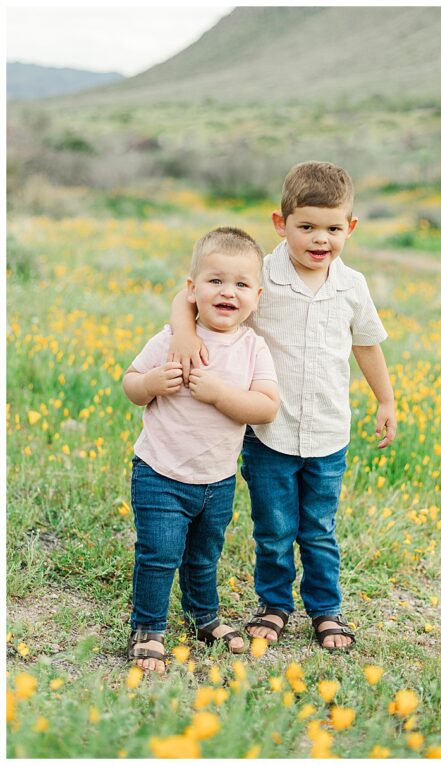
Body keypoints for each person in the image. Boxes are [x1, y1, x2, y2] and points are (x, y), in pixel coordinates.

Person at [169, 161, 397, 652]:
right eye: (307, 227)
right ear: (281, 224)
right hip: (269, 432)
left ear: (350, 228)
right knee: (273, 530)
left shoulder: (351, 286)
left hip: (328, 433)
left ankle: (325, 610)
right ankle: (274, 606)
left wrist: (386, 400)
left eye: (334, 229)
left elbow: (367, 345)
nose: (321, 240)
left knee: (318, 530)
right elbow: (188, 296)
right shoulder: (262, 275)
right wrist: (185, 335)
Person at [124, 227, 280, 674]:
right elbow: (131, 382)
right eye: (215, 280)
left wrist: (218, 394)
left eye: (241, 284)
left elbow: (266, 407)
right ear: (192, 290)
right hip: (160, 472)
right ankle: (148, 628)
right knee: (159, 553)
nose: (227, 291)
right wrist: (150, 384)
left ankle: (204, 617)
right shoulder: (172, 338)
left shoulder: (254, 348)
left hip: (217, 479)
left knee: (204, 554)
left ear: (257, 296)